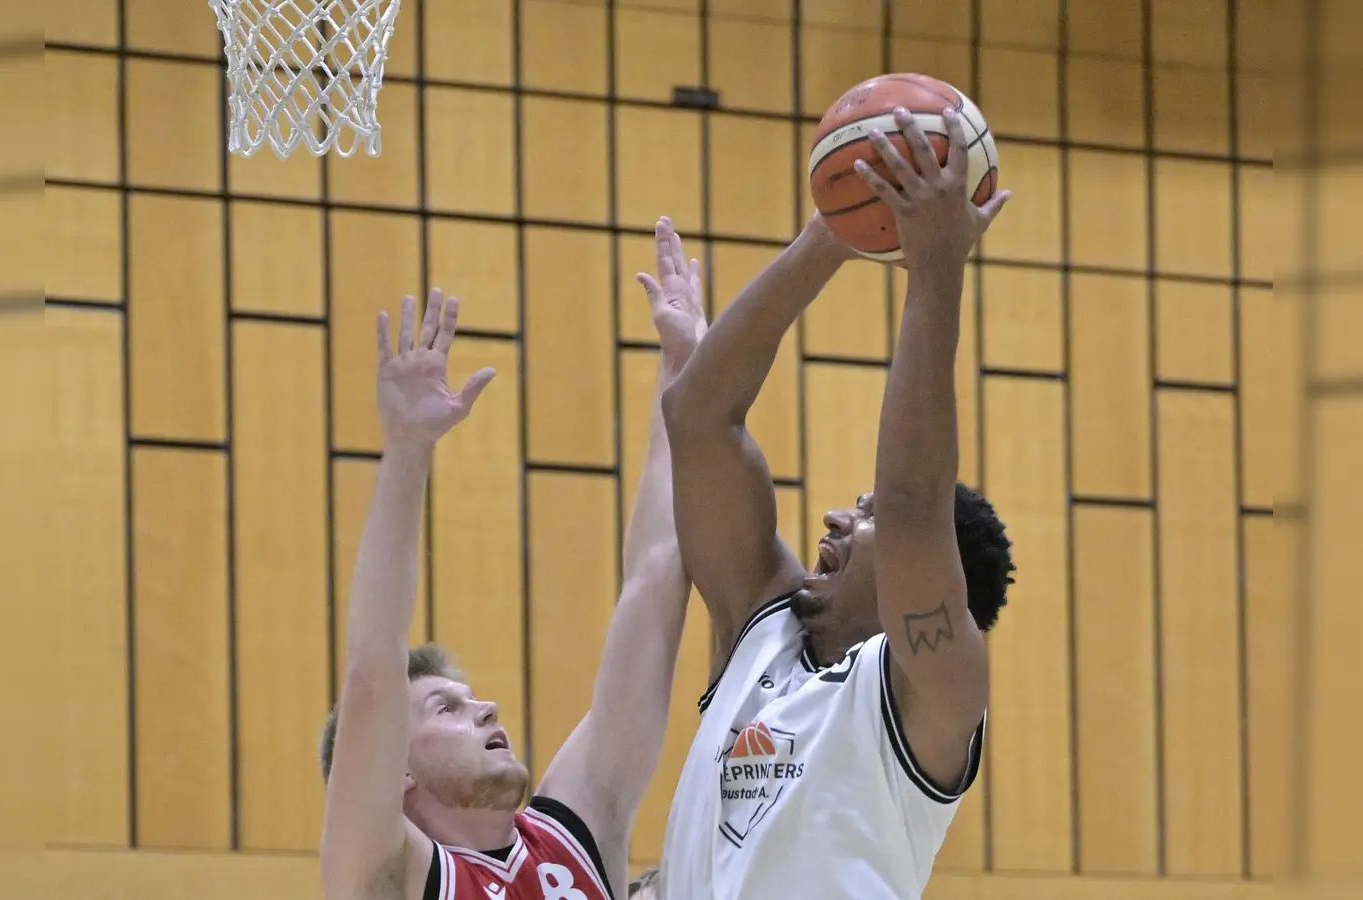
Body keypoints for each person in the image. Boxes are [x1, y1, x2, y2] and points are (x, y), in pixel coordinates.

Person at [655, 106, 1017, 899]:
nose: (835, 520)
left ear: (930, 573)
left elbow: (914, 500)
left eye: (863, 516)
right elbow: (697, 418)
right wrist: (833, 232)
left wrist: (936, 270)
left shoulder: (935, 686)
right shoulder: (762, 626)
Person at [318, 230, 708, 900]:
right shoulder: (390, 874)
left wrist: (683, 373)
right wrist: (408, 452)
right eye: (447, 708)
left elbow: (658, 575)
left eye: (470, 701)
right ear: (396, 771)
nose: (489, 708)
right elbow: (372, 676)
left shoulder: (579, 828)